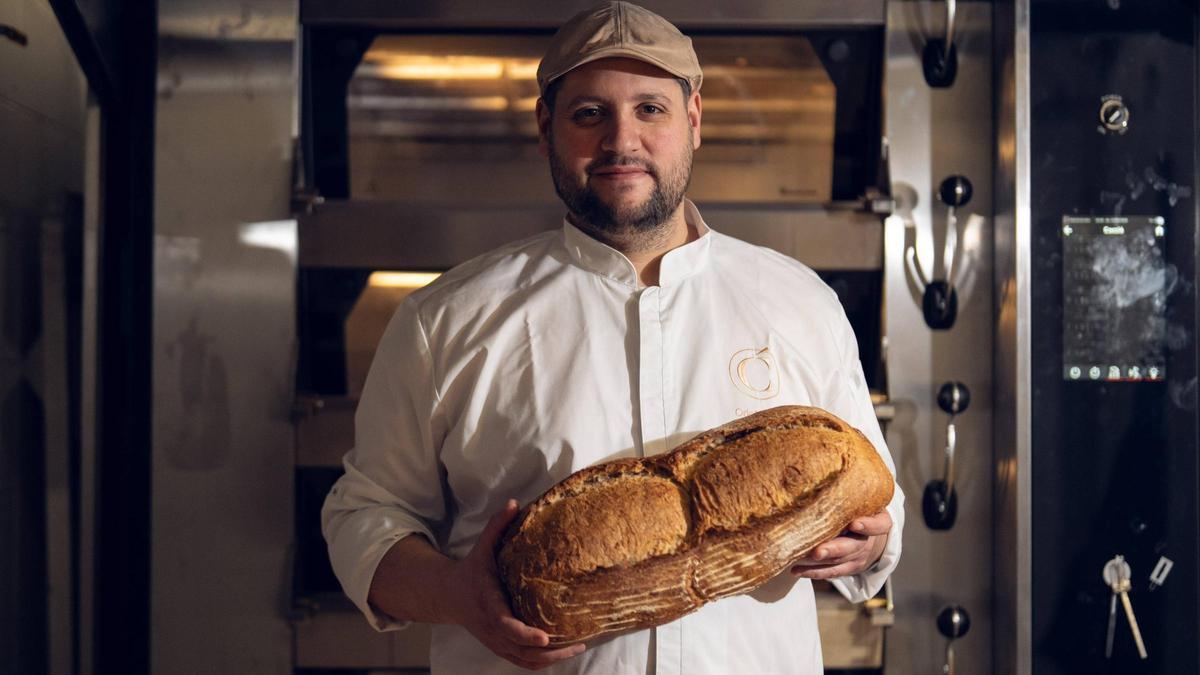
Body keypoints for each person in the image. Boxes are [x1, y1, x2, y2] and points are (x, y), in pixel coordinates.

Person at [322, 2, 904, 673]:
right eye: (589, 113)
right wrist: (456, 594)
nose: (621, 141)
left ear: (694, 120)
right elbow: (364, 518)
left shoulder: (800, 301)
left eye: (650, 109)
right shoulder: (447, 319)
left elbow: (881, 502)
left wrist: (870, 541)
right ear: (546, 127)